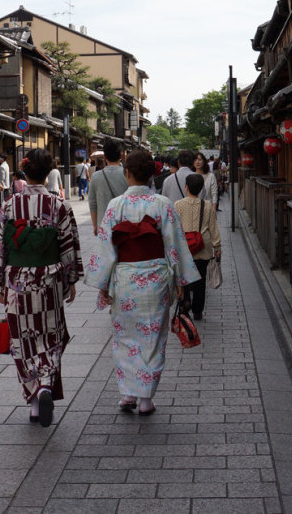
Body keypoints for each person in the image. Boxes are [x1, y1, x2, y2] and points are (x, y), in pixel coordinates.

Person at [85, 150, 201, 416]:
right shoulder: (163, 204)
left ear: (127, 174)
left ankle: (128, 394)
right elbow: (174, 245)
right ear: (152, 174)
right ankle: (146, 399)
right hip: (157, 278)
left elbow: (106, 247)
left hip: (125, 278)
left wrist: (104, 282)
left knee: (125, 338)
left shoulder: (115, 206)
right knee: (153, 338)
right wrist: (180, 280)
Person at [0, 148, 83, 427]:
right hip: (48, 281)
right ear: (50, 172)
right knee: (51, 337)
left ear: (24, 172)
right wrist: (71, 278)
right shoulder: (59, 205)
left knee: (24, 342)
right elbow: (68, 245)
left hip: (17, 281)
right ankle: (45, 385)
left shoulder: (8, 205)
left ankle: (34, 401)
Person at [174, 173, 221, 321]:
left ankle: (185, 302)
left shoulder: (177, 205)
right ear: (201, 189)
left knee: (184, 279)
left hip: (184, 247)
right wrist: (217, 247)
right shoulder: (207, 205)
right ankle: (198, 310)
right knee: (200, 280)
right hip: (203, 246)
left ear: (186, 187)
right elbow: (213, 228)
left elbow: (174, 229)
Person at [88, 140, 128, 236]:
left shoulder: (95, 176)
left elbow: (92, 203)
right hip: (125, 226)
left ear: (104, 157)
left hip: (104, 227)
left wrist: (95, 226)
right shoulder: (128, 175)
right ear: (121, 156)